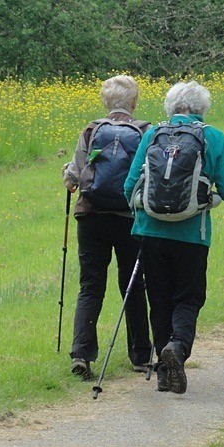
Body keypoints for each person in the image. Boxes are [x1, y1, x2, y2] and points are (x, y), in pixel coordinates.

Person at [123, 81, 224, 394]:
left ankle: (164, 374)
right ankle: (177, 348)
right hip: (193, 234)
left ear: (170, 107)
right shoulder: (214, 137)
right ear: (202, 109)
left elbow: (129, 187)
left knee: (159, 299)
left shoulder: (152, 135)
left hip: (149, 232)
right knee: (189, 298)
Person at [62, 75, 152, 379]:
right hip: (130, 218)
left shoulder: (91, 130)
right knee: (133, 286)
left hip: (91, 215)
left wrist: (67, 175)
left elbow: (74, 178)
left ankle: (82, 355)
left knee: (90, 286)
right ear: (134, 103)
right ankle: (141, 356)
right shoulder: (144, 131)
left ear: (105, 102)